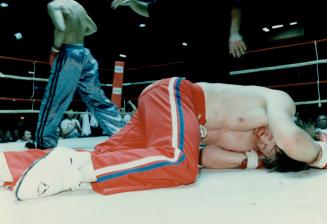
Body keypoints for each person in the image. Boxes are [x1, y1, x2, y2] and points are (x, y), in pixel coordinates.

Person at [0, 77, 326, 201]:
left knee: (109, 152)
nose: (271, 142)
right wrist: (319, 155)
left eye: (272, 152)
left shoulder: (254, 148)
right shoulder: (280, 104)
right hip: (179, 96)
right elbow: (292, 139)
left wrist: (253, 160)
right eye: (276, 143)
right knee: (176, 162)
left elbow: (206, 157)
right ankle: (76, 169)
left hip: (165, 117)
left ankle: (9, 167)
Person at [27, 0, 125, 150]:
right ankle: (122, 134)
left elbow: (60, 28)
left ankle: (44, 142)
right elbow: (93, 28)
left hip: (69, 54)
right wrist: (76, 34)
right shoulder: (78, 6)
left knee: (55, 99)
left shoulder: (55, 5)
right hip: (85, 54)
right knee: (97, 98)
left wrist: (54, 49)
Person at [111, 0, 247, 82]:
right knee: (196, 91)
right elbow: (148, 9)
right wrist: (131, 2)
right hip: (193, 55)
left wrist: (234, 33)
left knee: (219, 90)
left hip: (219, 50)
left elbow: (234, 7)